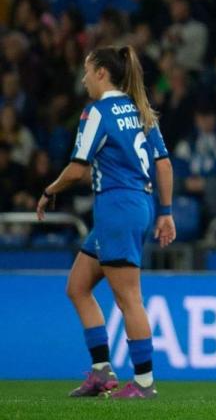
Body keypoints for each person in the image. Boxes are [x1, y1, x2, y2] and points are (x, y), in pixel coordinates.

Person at [36, 46, 176, 399]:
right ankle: (101, 372)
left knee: (129, 298)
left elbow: (79, 168)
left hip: (117, 206)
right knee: (78, 286)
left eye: (86, 71)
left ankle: (144, 383)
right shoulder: (141, 111)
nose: (83, 78)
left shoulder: (96, 112)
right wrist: (166, 211)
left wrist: (50, 188)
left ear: (101, 73)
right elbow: (164, 164)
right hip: (134, 205)